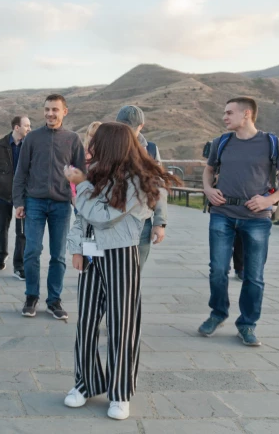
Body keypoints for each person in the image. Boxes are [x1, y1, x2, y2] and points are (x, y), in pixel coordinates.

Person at [64, 122, 179, 421]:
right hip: (91, 254)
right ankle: (85, 382)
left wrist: (81, 184)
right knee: (86, 322)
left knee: (121, 324)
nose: (89, 149)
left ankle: (119, 392)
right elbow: (82, 219)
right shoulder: (97, 173)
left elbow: (102, 217)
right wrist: (76, 248)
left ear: (111, 145)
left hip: (120, 255)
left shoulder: (141, 181)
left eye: (95, 143)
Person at [199, 97, 279, 346]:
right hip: (222, 213)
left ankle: (247, 324)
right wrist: (209, 190)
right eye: (224, 112)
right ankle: (218, 313)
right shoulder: (222, 142)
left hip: (256, 219)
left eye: (229, 112)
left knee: (254, 276)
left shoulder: (272, 143)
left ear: (247, 114)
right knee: (218, 270)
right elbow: (209, 170)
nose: (224, 117)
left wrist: (268, 201)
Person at [13, 94, 85, 320]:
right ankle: (31, 296)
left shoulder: (73, 140)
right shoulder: (32, 138)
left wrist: (78, 193)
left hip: (62, 205)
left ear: (65, 111)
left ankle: (54, 300)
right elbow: (20, 172)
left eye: (55, 109)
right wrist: (19, 202)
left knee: (58, 256)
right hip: (34, 202)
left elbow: (83, 176)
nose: (50, 114)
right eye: (47, 109)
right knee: (32, 251)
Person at [115, 105, 168, 270]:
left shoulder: (150, 150)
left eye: (130, 128)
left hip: (141, 222)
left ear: (141, 126)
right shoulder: (108, 146)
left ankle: (131, 296)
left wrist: (160, 223)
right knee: (113, 273)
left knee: (135, 273)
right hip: (111, 222)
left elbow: (159, 187)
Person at [0, 115, 32, 278]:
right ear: (16, 127)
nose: (29, 129)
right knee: (2, 226)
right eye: (27, 125)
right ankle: (2, 254)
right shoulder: (0, 145)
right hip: (3, 193)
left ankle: (19, 266)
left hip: (24, 194)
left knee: (22, 231)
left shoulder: (30, 145)